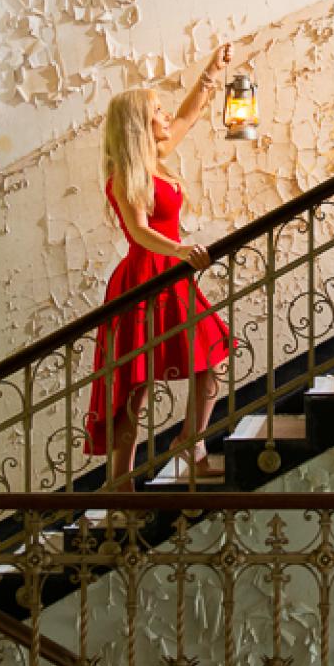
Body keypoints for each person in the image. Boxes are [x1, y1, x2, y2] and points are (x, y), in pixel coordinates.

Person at [85, 46, 234, 486]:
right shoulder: (123, 176)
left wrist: (210, 74)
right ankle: (119, 483)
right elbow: (138, 233)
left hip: (171, 274)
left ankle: (192, 442)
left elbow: (188, 115)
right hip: (142, 279)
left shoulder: (158, 155)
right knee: (135, 385)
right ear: (137, 123)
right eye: (157, 112)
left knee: (212, 356)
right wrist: (180, 250)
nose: (166, 117)